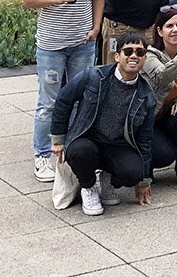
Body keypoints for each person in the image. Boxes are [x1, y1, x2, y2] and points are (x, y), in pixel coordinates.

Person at [23, 0, 107, 183]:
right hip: (52, 44)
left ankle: (72, 150)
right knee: (48, 102)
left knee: (81, 98)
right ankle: (42, 154)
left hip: (83, 41)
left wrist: (96, 26)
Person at [51, 33, 155, 216]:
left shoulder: (146, 96)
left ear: (144, 58)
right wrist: (58, 138)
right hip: (88, 139)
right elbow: (64, 100)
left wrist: (144, 180)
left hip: (118, 146)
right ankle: (88, 187)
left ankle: (109, 179)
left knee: (133, 172)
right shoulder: (92, 76)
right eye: (128, 51)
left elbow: (145, 140)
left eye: (140, 52)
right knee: (79, 151)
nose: (134, 56)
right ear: (117, 56)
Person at [142, 7, 177, 189]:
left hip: (169, 114)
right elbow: (162, 76)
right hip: (148, 120)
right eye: (169, 26)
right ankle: (145, 166)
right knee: (164, 155)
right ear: (160, 31)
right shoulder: (149, 55)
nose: (175, 30)